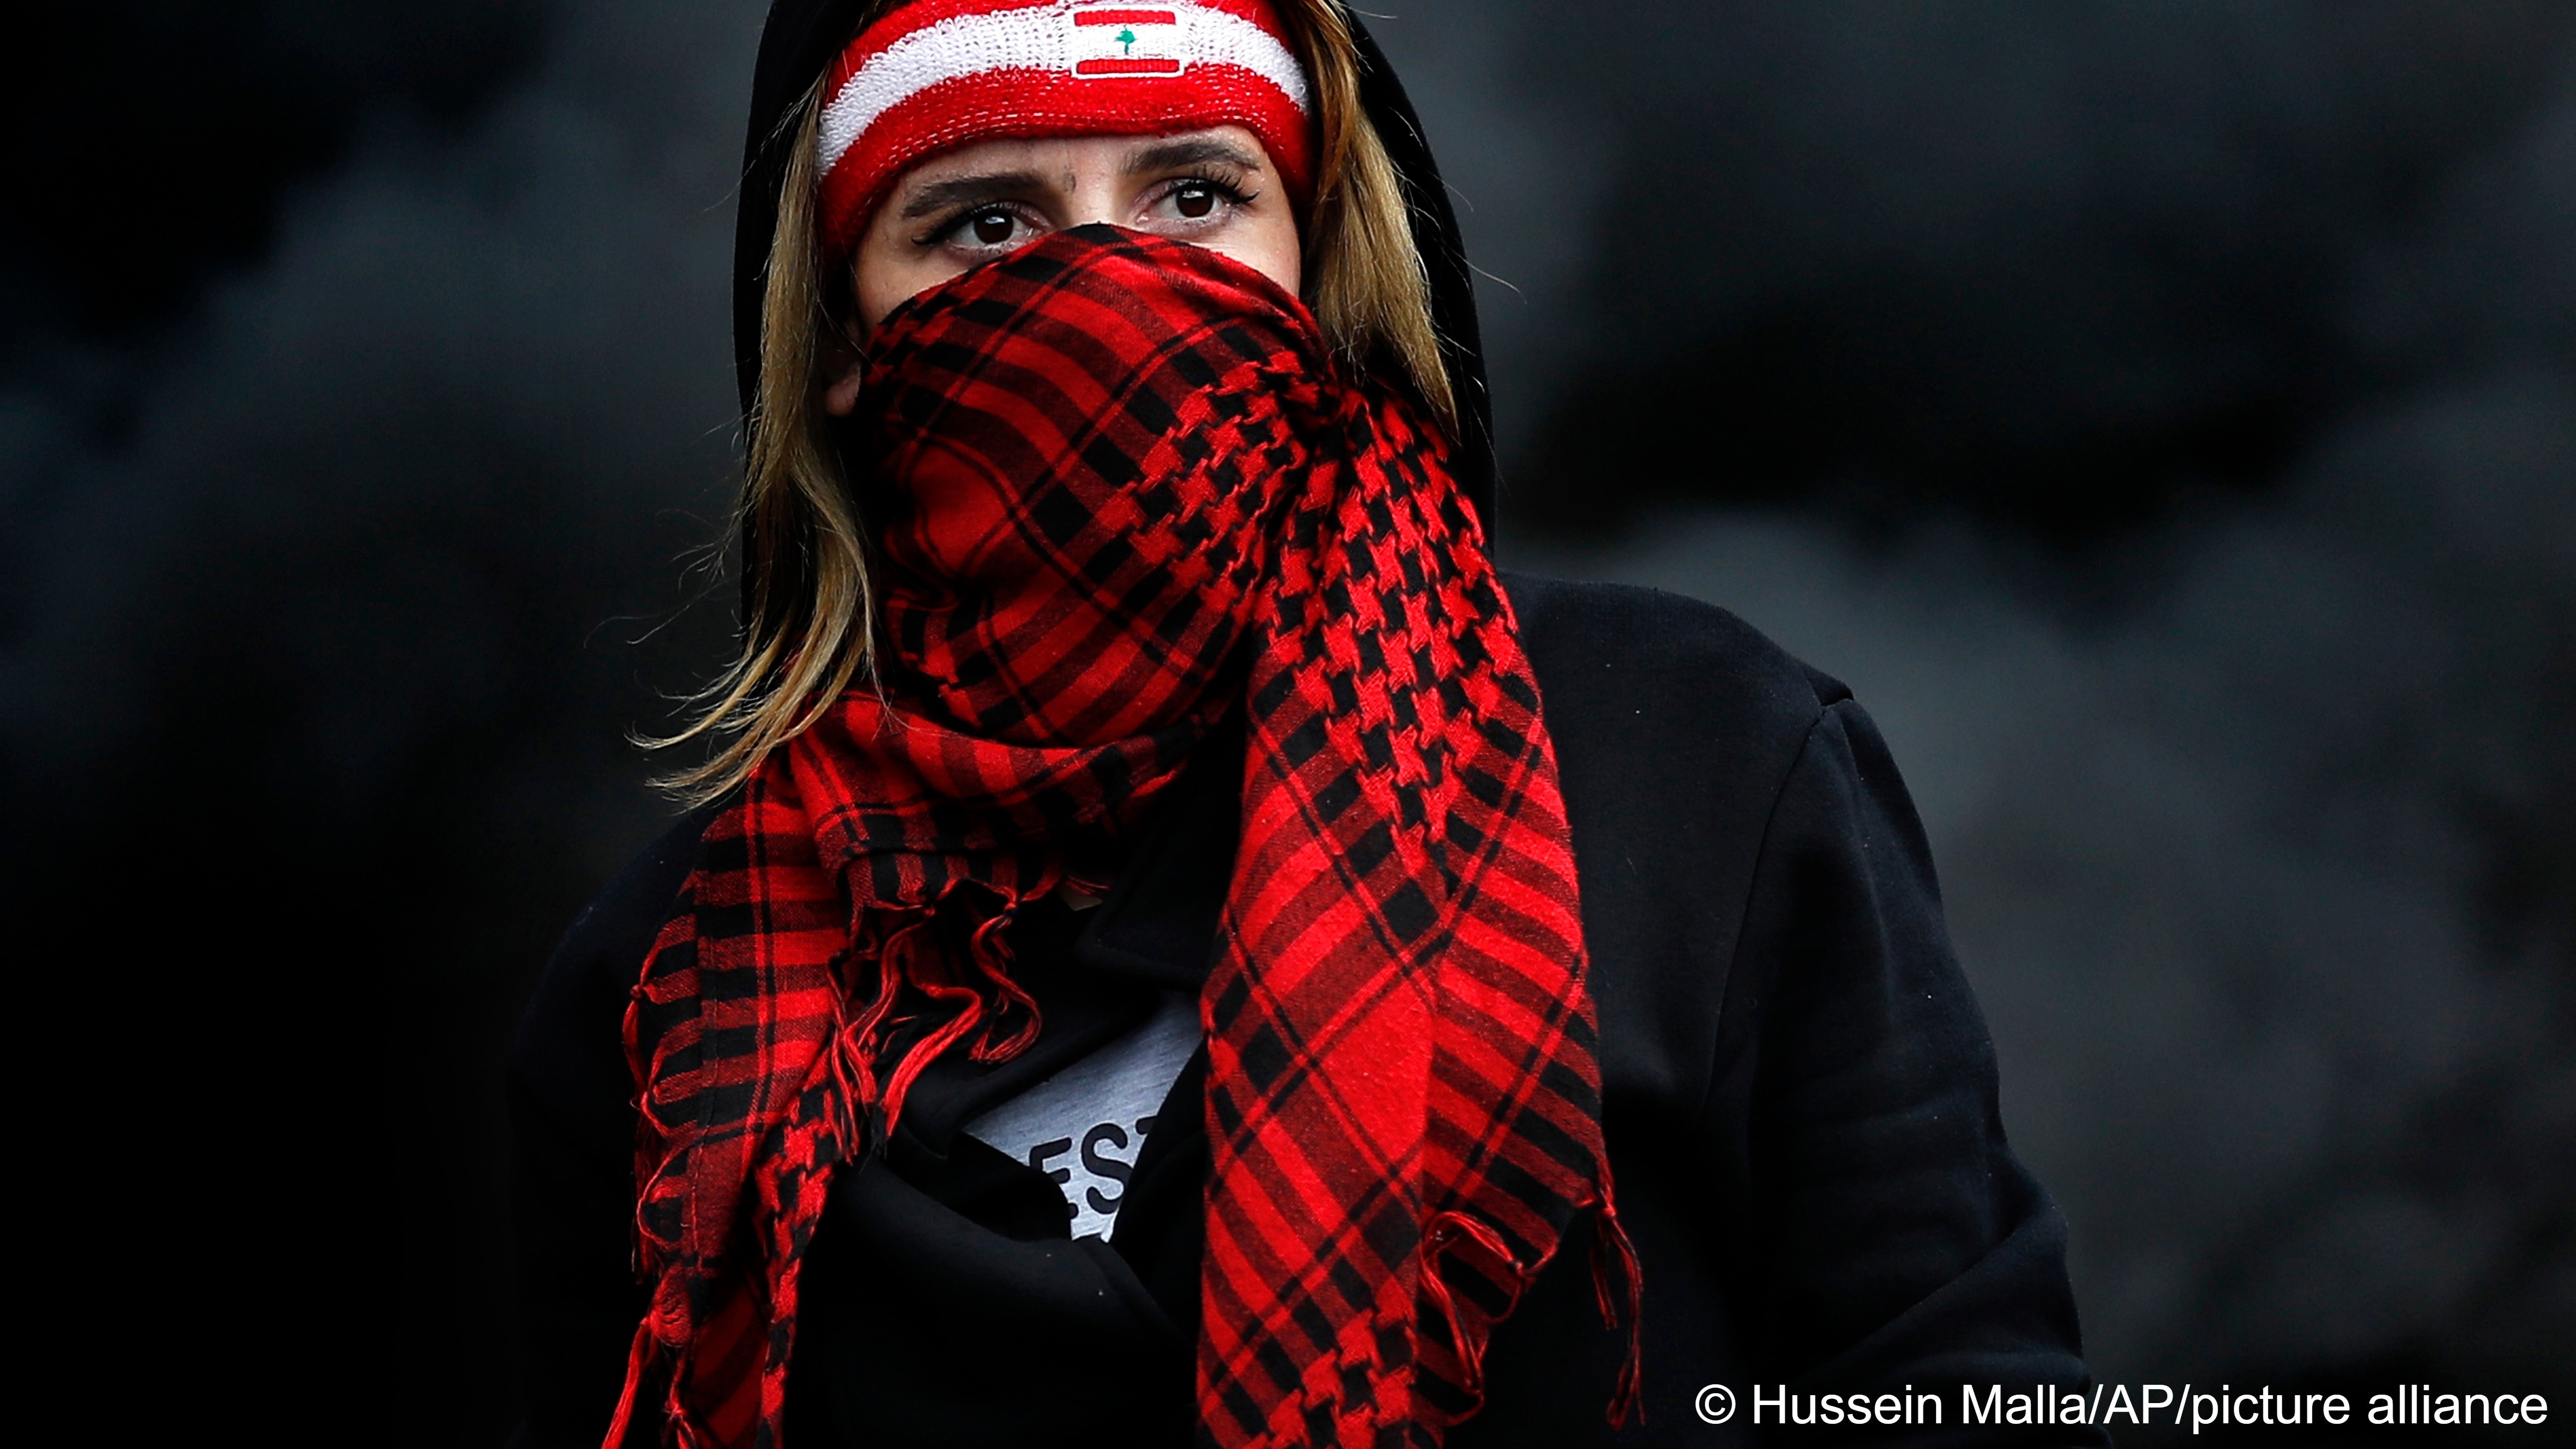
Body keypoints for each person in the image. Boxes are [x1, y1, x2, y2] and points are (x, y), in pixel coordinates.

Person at [508, 1, 2105, 1445]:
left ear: (1314, 258)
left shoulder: (1704, 768)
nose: (1107, 284)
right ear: (847, 338)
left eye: (1196, 196)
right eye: (982, 222)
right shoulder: (673, 985)